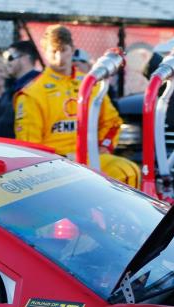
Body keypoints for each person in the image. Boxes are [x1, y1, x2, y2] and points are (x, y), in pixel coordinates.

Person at [14, 25, 140, 188]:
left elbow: (112, 122)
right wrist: (60, 159)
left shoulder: (90, 83)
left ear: (72, 50)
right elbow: (29, 146)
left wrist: (104, 146)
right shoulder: (33, 93)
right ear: (44, 52)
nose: (59, 57)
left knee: (128, 170)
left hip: (89, 158)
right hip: (53, 166)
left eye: (63, 50)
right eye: (53, 51)